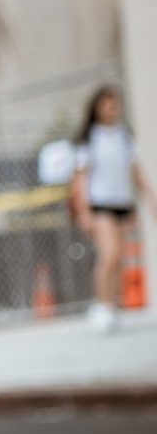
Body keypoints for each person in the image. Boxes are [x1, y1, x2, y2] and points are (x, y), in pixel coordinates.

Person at [72, 85, 149, 330]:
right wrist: (83, 210)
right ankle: (101, 305)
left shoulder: (124, 135)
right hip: (100, 203)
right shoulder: (90, 138)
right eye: (106, 104)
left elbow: (134, 171)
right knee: (110, 253)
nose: (110, 109)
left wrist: (149, 197)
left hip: (122, 202)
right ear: (97, 108)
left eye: (114, 104)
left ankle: (112, 307)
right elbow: (81, 177)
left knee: (120, 258)